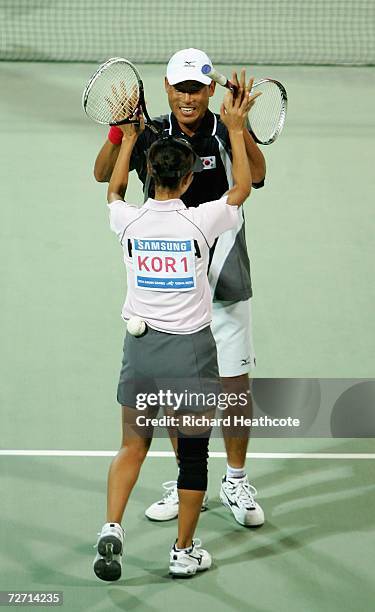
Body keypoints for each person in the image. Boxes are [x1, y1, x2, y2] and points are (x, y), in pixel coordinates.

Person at [94, 49, 266, 528]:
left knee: (233, 381)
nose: (188, 97)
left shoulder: (226, 124)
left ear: (210, 90)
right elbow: (102, 173)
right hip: (173, 277)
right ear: (166, 89)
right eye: (179, 88)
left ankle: (234, 477)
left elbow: (260, 175)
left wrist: (240, 129)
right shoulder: (151, 131)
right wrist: (121, 131)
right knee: (175, 383)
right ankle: (187, 476)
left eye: (196, 88)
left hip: (225, 265)